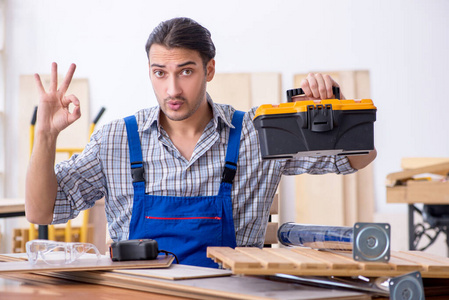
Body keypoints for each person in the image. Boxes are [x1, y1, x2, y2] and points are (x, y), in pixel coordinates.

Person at [25, 17, 377, 268]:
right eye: (160, 73)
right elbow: (42, 212)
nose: (172, 89)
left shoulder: (257, 133)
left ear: (209, 70)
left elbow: (356, 159)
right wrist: (46, 133)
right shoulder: (115, 139)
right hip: (141, 294)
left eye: (186, 71)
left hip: (232, 295)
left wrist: (337, 108)